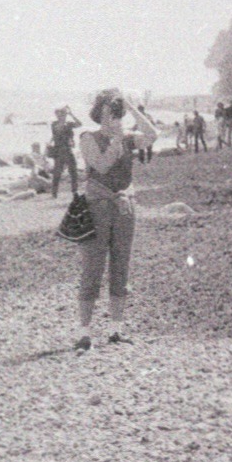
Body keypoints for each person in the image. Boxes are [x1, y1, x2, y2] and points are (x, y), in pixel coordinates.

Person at [74, 89, 157, 352]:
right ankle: (84, 332)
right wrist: (117, 141)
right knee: (92, 269)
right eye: (108, 112)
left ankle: (115, 330)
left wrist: (133, 108)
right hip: (96, 207)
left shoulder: (127, 138)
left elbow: (153, 135)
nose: (112, 117)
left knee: (121, 268)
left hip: (124, 208)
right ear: (99, 114)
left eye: (116, 112)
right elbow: (100, 166)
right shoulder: (88, 137)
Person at [49, 105, 82, 198]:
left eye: (62, 114)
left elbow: (80, 124)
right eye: (59, 114)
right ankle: (54, 193)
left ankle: (75, 191)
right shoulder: (54, 124)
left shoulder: (68, 124)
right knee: (57, 173)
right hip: (59, 150)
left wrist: (71, 114)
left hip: (67, 149)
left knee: (73, 171)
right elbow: (56, 132)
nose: (60, 116)